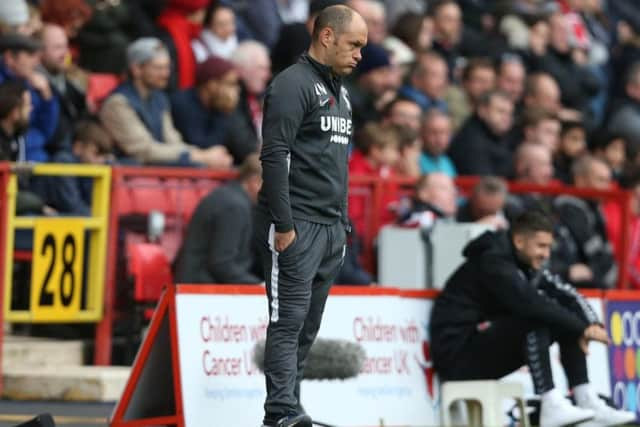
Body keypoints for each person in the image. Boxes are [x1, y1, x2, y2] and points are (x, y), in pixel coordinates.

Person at [254, 5, 367, 427]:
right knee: (287, 321)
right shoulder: (291, 85)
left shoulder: (342, 92)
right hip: (296, 222)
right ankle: (279, 413)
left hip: (330, 227)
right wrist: (284, 225)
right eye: (354, 44)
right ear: (326, 37)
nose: (359, 54)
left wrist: (343, 222)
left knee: (306, 329)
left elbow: (337, 163)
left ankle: (291, 407)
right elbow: (274, 155)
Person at [430, 210, 635, 427]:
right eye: (541, 246)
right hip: (456, 356)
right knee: (537, 318)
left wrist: (590, 324)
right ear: (519, 241)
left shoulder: (523, 263)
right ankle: (550, 404)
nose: (546, 254)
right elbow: (530, 304)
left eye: (548, 247)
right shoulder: (493, 261)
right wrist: (581, 329)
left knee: (563, 319)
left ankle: (586, 399)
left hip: (478, 347)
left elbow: (566, 292)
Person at [99, 38, 230, 168]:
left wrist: (204, 155)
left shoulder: (159, 99)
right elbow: (143, 150)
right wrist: (199, 156)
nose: (165, 74)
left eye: (167, 67)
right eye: (158, 68)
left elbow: (172, 140)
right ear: (136, 69)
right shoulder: (118, 103)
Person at [174, 154, 263, 284]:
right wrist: (259, 286)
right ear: (255, 181)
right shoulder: (234, 206)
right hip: (200, 293)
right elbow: (221, 264)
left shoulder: (228, 197)